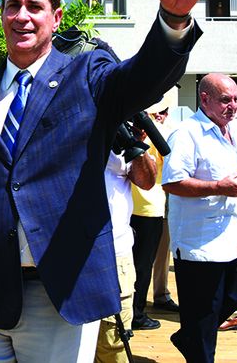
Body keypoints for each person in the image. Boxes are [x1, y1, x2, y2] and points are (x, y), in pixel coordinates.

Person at [0, 0, 209, 362]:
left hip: (60, 290)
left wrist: (173, 19)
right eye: (12, 5)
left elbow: (142, 78)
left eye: (35, 6)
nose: (22, 16)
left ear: (56, 17)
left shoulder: (88, 74)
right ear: (2, 14)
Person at [162, 74, 237, 362]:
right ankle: (195, 343)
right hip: (201, 244)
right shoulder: (187, 133)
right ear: (205, 99)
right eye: (226, 99)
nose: (234, 106)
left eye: (236, 99)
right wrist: (217, 188)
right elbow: (172, 183)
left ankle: (188, 336)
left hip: (236, 238)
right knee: (203, 320)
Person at [97, 150, 157, 362]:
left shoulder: (123, 136)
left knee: (113, 342)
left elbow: (147, 181)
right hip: (70, 257)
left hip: (116, 253)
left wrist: (136, 146)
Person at [129, 95, 178, 332]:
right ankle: (136, 313)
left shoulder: (130, 129)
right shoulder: (160, 133)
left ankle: (131, 311)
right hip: (149, 208)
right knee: (143, 265)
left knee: (133, 265)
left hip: (132, 207)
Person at [148, 103, 180, 315]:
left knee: (163, 249)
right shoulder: (144, 128)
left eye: (165, 111)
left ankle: (160, 293)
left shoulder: (172, 130)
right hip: (143, 201)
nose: (162, 115)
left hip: (164, 199)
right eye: (158, 111)